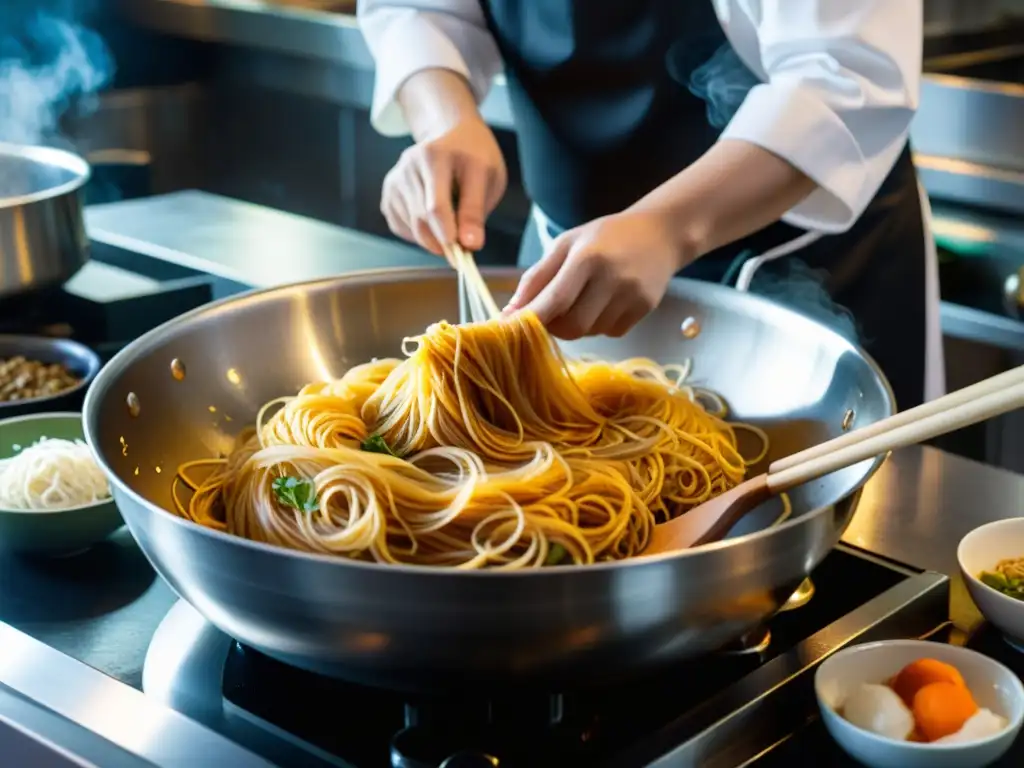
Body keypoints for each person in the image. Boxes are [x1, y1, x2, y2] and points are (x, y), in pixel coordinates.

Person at [357, 0, 944, 410]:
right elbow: (415, 7)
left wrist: (667, 227)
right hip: (560, 250)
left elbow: (848, 78)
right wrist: (445, 120)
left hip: (801, 266)